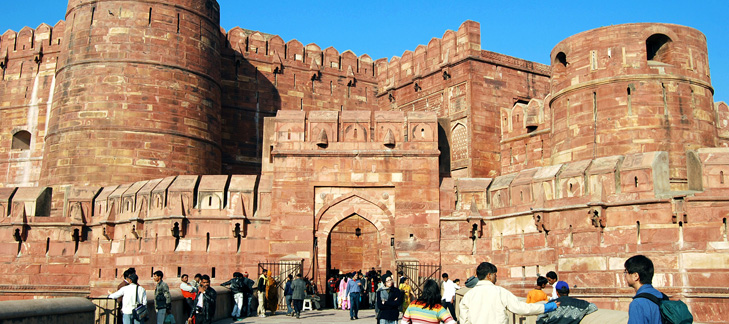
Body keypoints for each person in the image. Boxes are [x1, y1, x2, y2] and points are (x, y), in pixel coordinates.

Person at [459, 262, 559, 324]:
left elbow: (464, 320)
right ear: (489, 275)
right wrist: (547, 307)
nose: (496, 278)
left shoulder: (468, 296)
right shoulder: (500, 292)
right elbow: (521, 308)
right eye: (495, 275)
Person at [625, 255, 663, 324]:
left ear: (635, 276)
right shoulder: (661, 296)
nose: (625, 276)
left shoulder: (637, 303)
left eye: (626, 272)